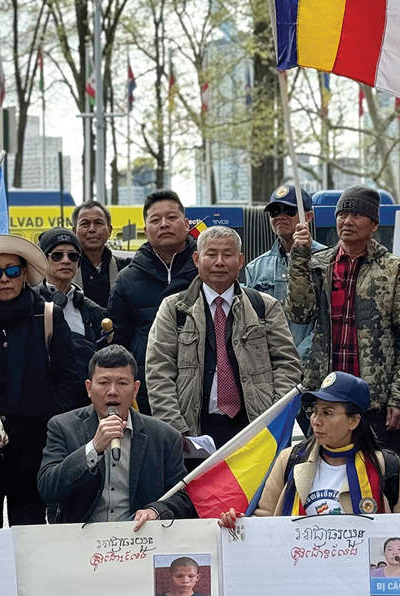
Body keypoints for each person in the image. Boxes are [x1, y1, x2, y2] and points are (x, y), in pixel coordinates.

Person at [287, 186, 400, 456]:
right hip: (326, 395)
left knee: (380, 481)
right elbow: (300, 313)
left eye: (357, 215)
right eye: (342, 214)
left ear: (374, 224)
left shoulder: (394, 269)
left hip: (375, 402)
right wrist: (299, 258)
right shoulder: (318, 264)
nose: (347, 221)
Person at [0, 234, 78, 527]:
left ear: (24, 272)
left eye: (12, 270)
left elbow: (67, 377)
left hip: (33, 446)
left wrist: (52, 424)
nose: (4, 279)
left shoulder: (47, 314)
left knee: (30, 533)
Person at [147, 225, 302, 449]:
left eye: (227, 254)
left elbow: (287, 365)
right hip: (194, 433)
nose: (220, 262)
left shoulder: (264, 307)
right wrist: (177, 432)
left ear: (240, 261)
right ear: (197, 259)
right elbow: (159, 373)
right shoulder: (174, 309)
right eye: (211, 254)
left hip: (255, 430)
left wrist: (272, 421)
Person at [221, 372, 400, 524]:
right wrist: (238, 524)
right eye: (315, 411)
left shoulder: (387, 467)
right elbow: (264, 522)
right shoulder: (290, 460)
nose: (316, 421)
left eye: (327, 413)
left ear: (354, 421)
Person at [38, 346, 195, 525]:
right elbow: (47, 487)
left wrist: (155, 511)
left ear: (135, 389)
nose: (112, 391)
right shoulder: (63, 427)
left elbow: (182, 497)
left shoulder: (165, 436)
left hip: (139, 539)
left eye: (122, 383)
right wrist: (93, 448)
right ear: (89, 388)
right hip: (81, 539)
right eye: (104, 383)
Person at [108, 191, 197, 413]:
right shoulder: (126, 279)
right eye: (155, 220)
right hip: (147, 390)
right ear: (146, 231)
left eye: (172, 217)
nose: (164, 224)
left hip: (199, 386)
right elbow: (118, 342)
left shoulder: (206, 272)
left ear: (186, 224)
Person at [244, 184, 326, 361]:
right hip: (271, 365)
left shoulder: (328, 261)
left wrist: (297, 356)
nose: (280, 216)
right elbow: (251, 322)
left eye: (289, 210)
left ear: (309, 216)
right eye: (274, 211)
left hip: (315, 365)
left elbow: (328, 321)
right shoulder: (254, 268)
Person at [37, 227, 111, 409]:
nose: (65, 260)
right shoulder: (30, 306)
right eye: (57, 255)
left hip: (84, 406)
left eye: (73, 256)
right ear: (43, 260)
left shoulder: (95, 312)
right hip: (41, 405)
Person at [73, 201, 129, 308]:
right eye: (85, 224)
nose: (92, 229)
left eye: (99, 223)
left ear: (110, 230)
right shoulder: (65, 269)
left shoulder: (125, 268)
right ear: (74, 231)